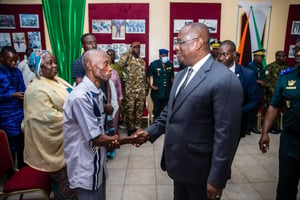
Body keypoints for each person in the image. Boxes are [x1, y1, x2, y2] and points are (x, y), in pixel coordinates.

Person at [137, 23, 243, 200]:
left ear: (197, 43)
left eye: (179, 42)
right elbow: (170, 112)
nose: (176, 48)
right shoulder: (181, 75)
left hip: (201, 171)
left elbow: (226, 136)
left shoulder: (224, 80)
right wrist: (149, 132)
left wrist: (217, 179)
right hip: (179, 165)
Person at [63, 49, 146, 200]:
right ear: (89, 65)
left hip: (97, 164)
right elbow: (96, 139)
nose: (110, 68)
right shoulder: (80, 97)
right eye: (105, 64)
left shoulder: (96, 92)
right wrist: (130, 139)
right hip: (85, 167)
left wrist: (110, 141)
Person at [23, 50, 76, 199]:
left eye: (55, 62)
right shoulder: (36, 90)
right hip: (55, 148)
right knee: (65, 187)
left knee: (74, 183)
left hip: (70, 140)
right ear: (39, 67)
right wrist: (78, 119)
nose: (55, 66)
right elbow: (48, 119)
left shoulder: (57, 80)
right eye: (49, 63)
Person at [259, 38, 300, 200]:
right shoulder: (286, 76)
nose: (298, 53)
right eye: (296, 49)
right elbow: (274, 106)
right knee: (285, 188)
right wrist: (265, 132)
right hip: (290, 140)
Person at [217, 40, 262, 137]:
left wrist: (240, 111)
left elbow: (255, 100)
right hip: (214, 124)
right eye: (218, 54)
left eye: (224, 54)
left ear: (234, 54)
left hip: (237, 124)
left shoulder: (247, 74)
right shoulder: (211, 72)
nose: (220, 58)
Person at [0, 46, 26, 169]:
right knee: (9, 144)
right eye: (10, 60)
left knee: (22, 141)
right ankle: (9, 171)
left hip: (19, 111)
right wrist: (11, 95)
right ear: (1, 58)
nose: (13, 63)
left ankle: (21, 169)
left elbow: (22, 87)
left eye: (15, 60)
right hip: (5, 114)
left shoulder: (17, 71)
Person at [119, 41, 148, 136]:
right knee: (130, 110)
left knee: (139, 110)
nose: (138, 49)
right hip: (130, 91)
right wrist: (129, 52)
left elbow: (144, 76)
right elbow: (120, 65)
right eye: (135, 47)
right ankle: (130, 128)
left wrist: (146, 88)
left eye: (139, 47)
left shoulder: (142, 61)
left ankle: (137, 128)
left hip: (141, 90)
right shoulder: (127, 59)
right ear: (131, 48)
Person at [265, 50, 288, 134]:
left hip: (284, 94)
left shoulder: (288, 68)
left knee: (281, 110)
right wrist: (272, 90)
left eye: (285, 56)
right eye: (283, 56)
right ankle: (271, 126)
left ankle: (277, 125)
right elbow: (266, 82)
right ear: (277, 57)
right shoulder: (270, 67)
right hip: (272, 94)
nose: (285, 57)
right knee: (272, 109)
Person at [147, 48, 174, 120]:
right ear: (160, 55)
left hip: (167, 92)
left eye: (166, 55)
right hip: (157, 93)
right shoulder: (154, 64)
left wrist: (173, 88)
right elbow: (148, 76)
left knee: (166, 111)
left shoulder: (170, 64)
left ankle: (164, 127)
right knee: (156, 111)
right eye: (163, 55)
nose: (165, 57)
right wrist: (150, 86)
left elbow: (172, 77)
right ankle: (155, 127)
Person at [246, 49, 266, 134]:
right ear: (255, 56)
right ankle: (247, 128)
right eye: (260, 56)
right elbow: (247, 78)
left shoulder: (261, 66)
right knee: (249, 111)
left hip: (259, 92)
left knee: (255, 110)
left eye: (263, 56)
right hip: (252, 92)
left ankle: (252, 126)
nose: (262, 58)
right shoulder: (250, 66)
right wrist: (258, 81)